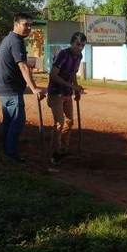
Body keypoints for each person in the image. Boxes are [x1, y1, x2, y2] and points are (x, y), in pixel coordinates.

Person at [0, 12, 45, 163]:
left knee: (9, 122)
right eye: (25, 24)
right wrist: (34, 88)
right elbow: (23, 67)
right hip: (11, 90)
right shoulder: (16, 41)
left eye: (30, 25)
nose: (29, 28)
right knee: (17, 122)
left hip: (4, 88)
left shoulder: (8, 39)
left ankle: (5, 152)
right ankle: (11, 156)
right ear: (16, 24)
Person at [47, 32, 85, 165]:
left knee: (69, 122)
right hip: (56, 93)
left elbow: (73, 73)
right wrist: (71, 86)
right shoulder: (62, 54)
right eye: (78, 44)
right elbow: (53, 75)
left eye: (83, 45)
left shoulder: (79, 56)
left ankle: (64, 149)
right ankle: (55, 153)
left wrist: (76, 89)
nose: (80, 48)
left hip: (68, 93)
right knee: (59, 123)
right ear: (72, 43)